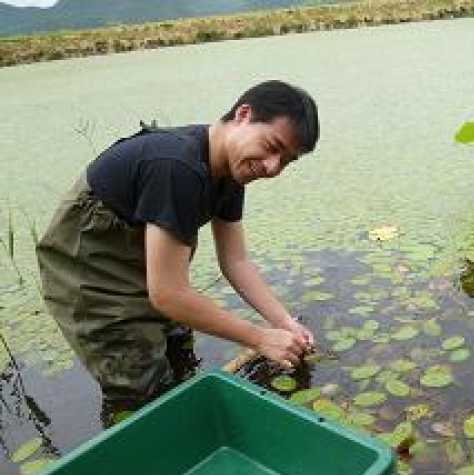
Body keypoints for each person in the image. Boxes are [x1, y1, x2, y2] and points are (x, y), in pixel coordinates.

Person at [36, 80, 319, 407]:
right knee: (142, 389)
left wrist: (283, 322)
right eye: (272, 146)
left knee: (178, 352)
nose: (272, 167)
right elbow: (168, 294)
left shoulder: (230, 171)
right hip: (91, 274)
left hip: (145, 267)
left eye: (285, 161)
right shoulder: (177, 166)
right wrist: (260, 338)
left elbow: (235, 261)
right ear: (243, 114)